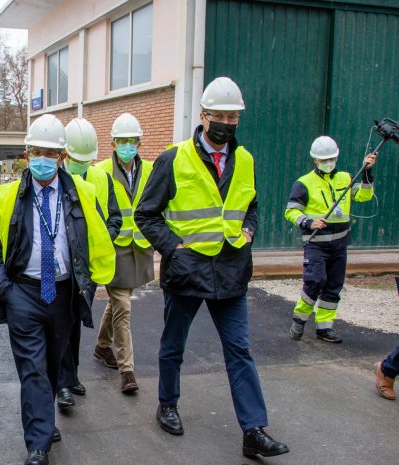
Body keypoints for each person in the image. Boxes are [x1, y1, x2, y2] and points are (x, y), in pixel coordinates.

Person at [134, 76, 289, 458]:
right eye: (219, 115)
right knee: (173, 345)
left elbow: (250, 204)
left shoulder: (246, 160)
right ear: (203, 116)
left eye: (232, 117)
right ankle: (167, 404)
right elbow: (146, 214)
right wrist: (174, 248)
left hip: (232, 268)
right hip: (188, 270)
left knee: (240, 350)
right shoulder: (174, 158)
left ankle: (253, 430)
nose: (226, 122)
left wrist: (250, 228)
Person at [0, 114, 115, 465]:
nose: (44, 158)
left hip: (63, 294)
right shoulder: (8, 195)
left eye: (51, 152)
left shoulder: (82, 193)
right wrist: (5, 290)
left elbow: (97, 240)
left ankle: (45, 417)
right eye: (37, 151)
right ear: (27, 154)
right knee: (34, 370)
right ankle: (38, 444)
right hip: (23, 293)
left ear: (62, 156)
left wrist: (89, 285)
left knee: (54, 365)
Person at [56, 117, 122, 409]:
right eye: (76, 159)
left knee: (75, 323)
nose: (81, 165)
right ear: (65, 155)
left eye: (86, 160)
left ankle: (72, 377)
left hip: (87, 269)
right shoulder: (54, 181)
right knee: (59, 325)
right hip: (59, 268)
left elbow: (115, 218)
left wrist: (100, 239)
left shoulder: (101, 179)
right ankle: (60, 384)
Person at [284, 136, 376, 343]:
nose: (328, 162)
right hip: (316, 244)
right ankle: (299, 320)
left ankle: (325, 328)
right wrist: (309, 222)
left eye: (331, 158)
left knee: (334, 286)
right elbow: (290, 212)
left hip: (340, 244)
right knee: (315, 282)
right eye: (323, 159)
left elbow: (364, 196)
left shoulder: (345, 177)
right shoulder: (303, 183)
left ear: (337, 156)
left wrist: (368, 172)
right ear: (315, 160)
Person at [89, 112, 156, 395]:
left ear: (139, 143)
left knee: (118, 304)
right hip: (114, 249)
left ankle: (102, 347)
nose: (128, 146)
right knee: (124, 308)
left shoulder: (152, 170)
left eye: (133, 141)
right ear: (112, 143)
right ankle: (126, 370)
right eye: (122, 141)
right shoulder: (100, 171)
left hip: (139, 248)